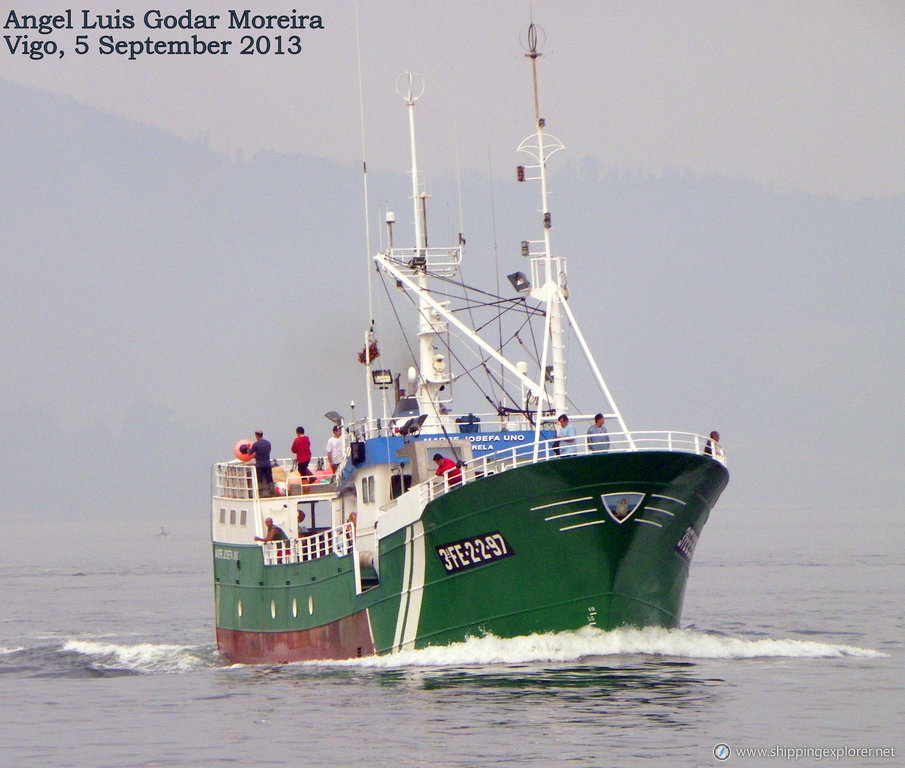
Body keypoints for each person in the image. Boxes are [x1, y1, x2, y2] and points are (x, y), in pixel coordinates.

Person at [250, 430, 274, 496]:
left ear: (256, 435)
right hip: (267, 464)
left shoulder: (256, 444)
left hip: (259, 465)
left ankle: (260, 494)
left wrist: (247, 448)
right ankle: (272, 492)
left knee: (259, 480)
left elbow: (250, 453)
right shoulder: (268, 443)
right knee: (270, 479)